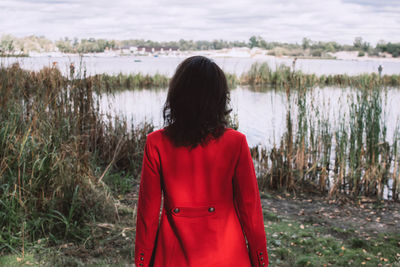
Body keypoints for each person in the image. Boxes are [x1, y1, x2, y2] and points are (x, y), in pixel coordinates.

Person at [134, 56, 268, 267]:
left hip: (173, 256)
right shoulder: (236, 142)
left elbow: (147, 215)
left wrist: (142, 261)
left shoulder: (156, 143)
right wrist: (260, 260)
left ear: (177, 95)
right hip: (228, 256)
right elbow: (250, 211)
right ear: (219, 98)